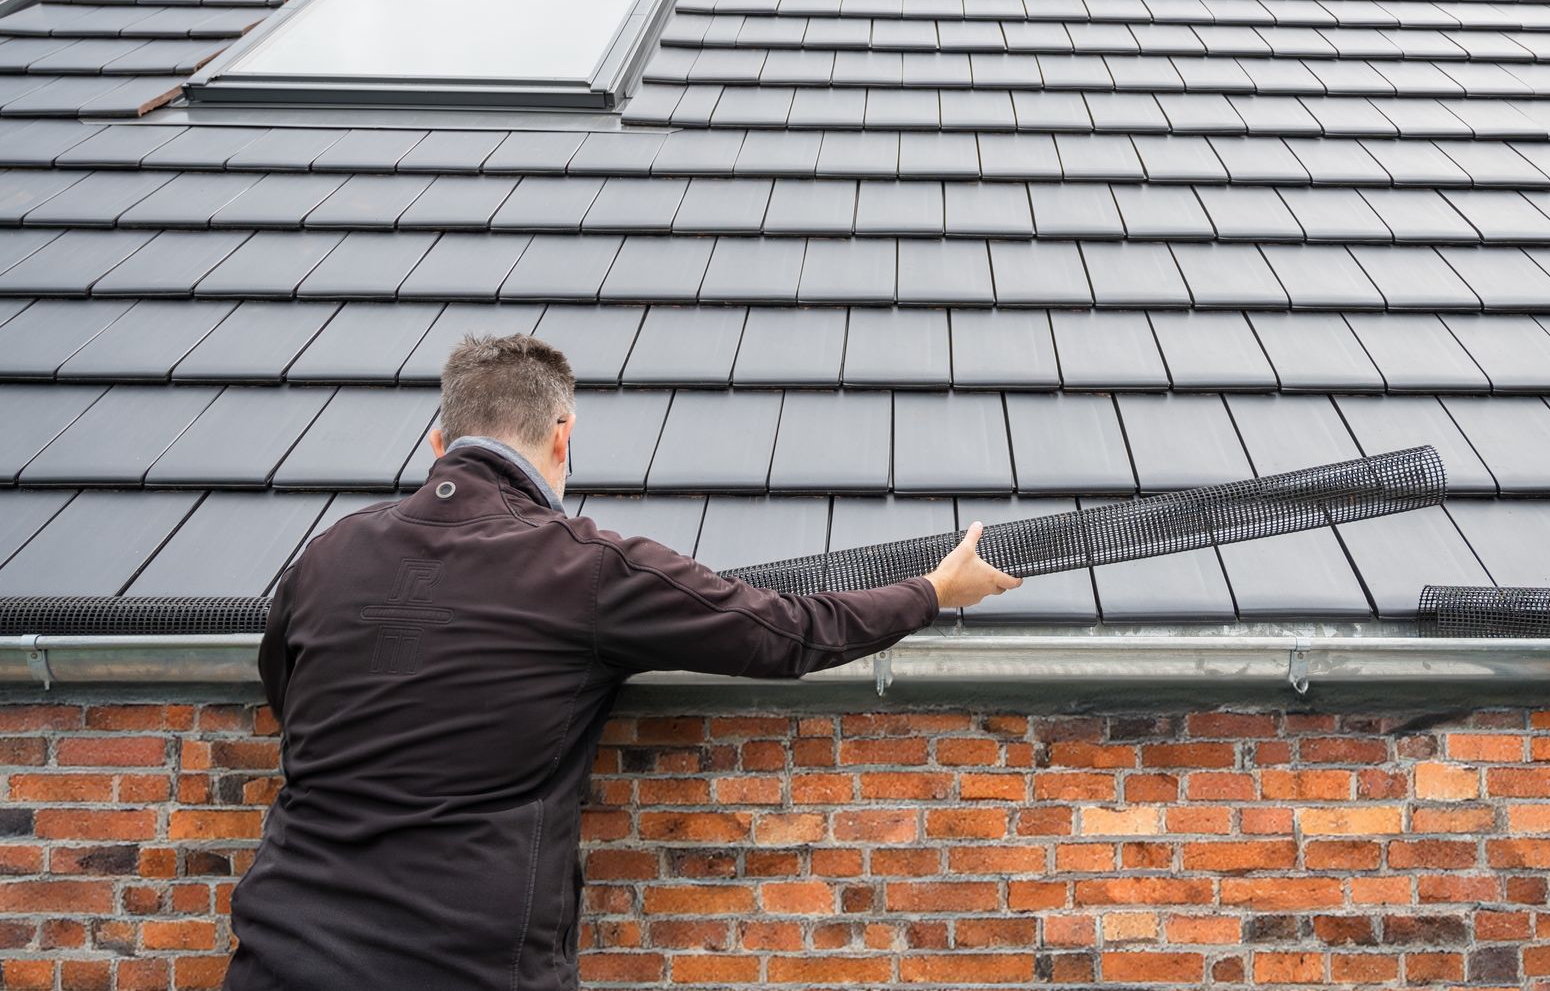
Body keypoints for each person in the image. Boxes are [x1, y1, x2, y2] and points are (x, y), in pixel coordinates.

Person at [222, 332, 1020, 991]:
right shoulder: (584, 568)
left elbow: (287, 694)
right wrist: (934, 588)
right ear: (561, 434)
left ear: (439, 443)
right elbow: (788, 631)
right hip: (462, 967)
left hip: (277, 955)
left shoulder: (327, 556)